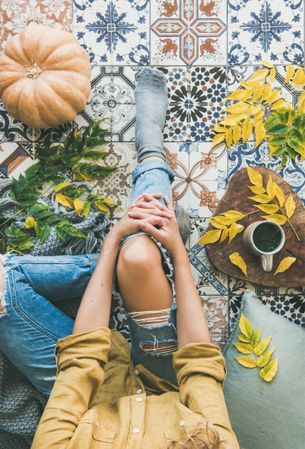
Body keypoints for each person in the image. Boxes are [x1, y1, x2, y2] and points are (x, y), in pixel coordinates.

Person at [0, 68, 240, 449]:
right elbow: (198, 367)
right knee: (141, 254)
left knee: (2, 285)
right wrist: (178, 255)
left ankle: (121, 259)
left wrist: (111, 242)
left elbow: (81, 360)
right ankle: (150, 151)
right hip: (165, 375)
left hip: (91, 391)